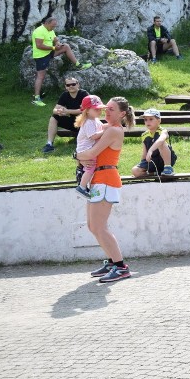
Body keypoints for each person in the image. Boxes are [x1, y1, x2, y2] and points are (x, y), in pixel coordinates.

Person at [79, 96, 136, 283]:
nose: (106, 111)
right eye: (106, 108)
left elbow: (91, 153)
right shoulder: (105, 127)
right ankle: (112, 262)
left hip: (106, 179)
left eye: (111, 109)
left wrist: (76, 155)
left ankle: (120, 267)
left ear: (122, 113)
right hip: (98, 178)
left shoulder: (113, 130)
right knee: (93, 226)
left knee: (99, 226)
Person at [30, 17, 92, 107]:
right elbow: (39, 45)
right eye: (52, 26)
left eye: (55, 26)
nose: (53, 28)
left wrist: (58, 43)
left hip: (49, 52)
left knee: (65, 46)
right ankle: (36, 98)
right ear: (47, 23)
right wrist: (54, 48)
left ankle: (79, 65)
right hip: (41, 56)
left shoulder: (50, 30)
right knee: (41, 76)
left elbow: (55, 39)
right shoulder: (39, 31)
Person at [43, 77, 89, 153]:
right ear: (65, 87)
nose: (71, 86)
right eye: (68, 85)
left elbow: (84, 110)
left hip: (85, 123)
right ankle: (49, 144)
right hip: (74, 123)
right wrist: (59, 111)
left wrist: (67, 111)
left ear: (78, 85)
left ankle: (81, 140)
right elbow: (54, 110)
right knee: (54, 117)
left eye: (73, 84)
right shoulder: (64, 95)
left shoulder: (83, 94)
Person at [74, 95, 106, 197]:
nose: (99, 111)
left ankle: (87, 186)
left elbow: (101, 127)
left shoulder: (95, 120)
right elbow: (94, 136)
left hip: (88, 149)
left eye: (100, 109)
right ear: (87, 110)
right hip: (86, 150)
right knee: (90, 168)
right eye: (96, 109)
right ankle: (82, 187)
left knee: (91, 167)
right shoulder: (88, 122)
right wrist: (106, 131)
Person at [130, 108, 177, 177]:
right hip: (153, 161)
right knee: (135, 171)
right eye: (145, 120)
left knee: (161, 143)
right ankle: (155, 173)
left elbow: (161, 140)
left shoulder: (163, 131)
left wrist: (151, 150)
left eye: (151, 119)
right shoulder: (144, 135)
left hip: (165, 159)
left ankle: (168, 168)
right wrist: (142, 165)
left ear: (159, 121)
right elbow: (144, 153)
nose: (148, 122)